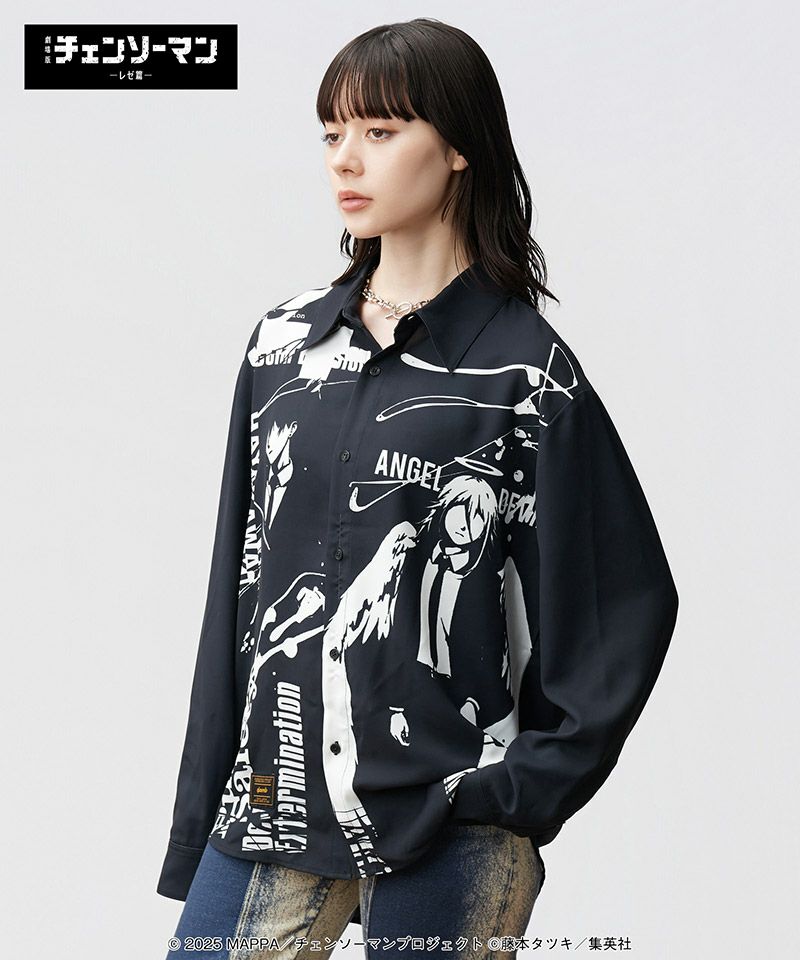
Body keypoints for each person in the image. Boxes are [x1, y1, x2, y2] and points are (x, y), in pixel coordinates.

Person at [157, 17, 679, 960]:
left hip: (450, 820)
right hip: (278, 800)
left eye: (381, 131)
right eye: (332, 133)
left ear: (459, 147)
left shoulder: (528, 375)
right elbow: (239, 589)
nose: (345, 159)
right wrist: (204, 810)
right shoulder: (282, 348)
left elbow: (623, 606)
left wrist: (516, 789)